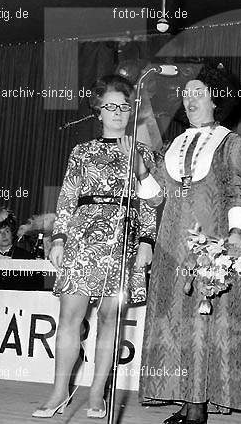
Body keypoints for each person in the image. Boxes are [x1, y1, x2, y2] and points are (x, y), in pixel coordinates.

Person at [33, 75, 157, 418]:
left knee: (109, 319)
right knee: (70, 317)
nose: (117, 112)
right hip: (83, 239)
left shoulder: (143, 151)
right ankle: (59, 392)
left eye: (123, 106)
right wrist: (58, 237)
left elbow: (152, 201)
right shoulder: (82, 151)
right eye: (110, 106)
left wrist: (146, 240)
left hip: (123, 240)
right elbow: (68, 196)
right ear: (98, 111)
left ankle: (97, 395)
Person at [137, 65, 241, 424]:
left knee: (203, 319)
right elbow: (154, 195)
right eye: (186, 94)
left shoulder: (231, 142)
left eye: (198, 92)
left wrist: (235, 233)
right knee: (173, 319)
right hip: (172, 243)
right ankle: (184, 400)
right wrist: (141, 166)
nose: (189, 99)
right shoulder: (174, 143)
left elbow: (237, 188)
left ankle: (199, 406)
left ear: (217, 100)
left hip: (209, 242)